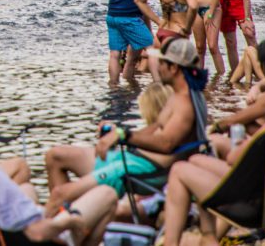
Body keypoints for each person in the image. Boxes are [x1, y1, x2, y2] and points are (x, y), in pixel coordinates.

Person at [162, 57, 265, 246]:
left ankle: (173, 242)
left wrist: (249, 136)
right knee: (198, 160)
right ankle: (208, 238)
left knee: (179, 170)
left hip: (254, 206)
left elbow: (233, 159)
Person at [0, 102, 117, 246]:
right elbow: (38, 233)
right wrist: (68, 221)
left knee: (27, 188)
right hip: (37, 240)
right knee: (106, 194)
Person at [46, 39, 205, 212]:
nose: (158, 67)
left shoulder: (185, 103)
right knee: (56, 156)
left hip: (146, 171)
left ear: (174, 68)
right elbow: (155, 129)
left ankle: (58, 226)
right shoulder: (179, 95)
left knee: (59, 195)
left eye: (162, 62)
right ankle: (68, 221)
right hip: (136, 158)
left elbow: (166, 144)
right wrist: (118, 134)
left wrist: (124, 136)